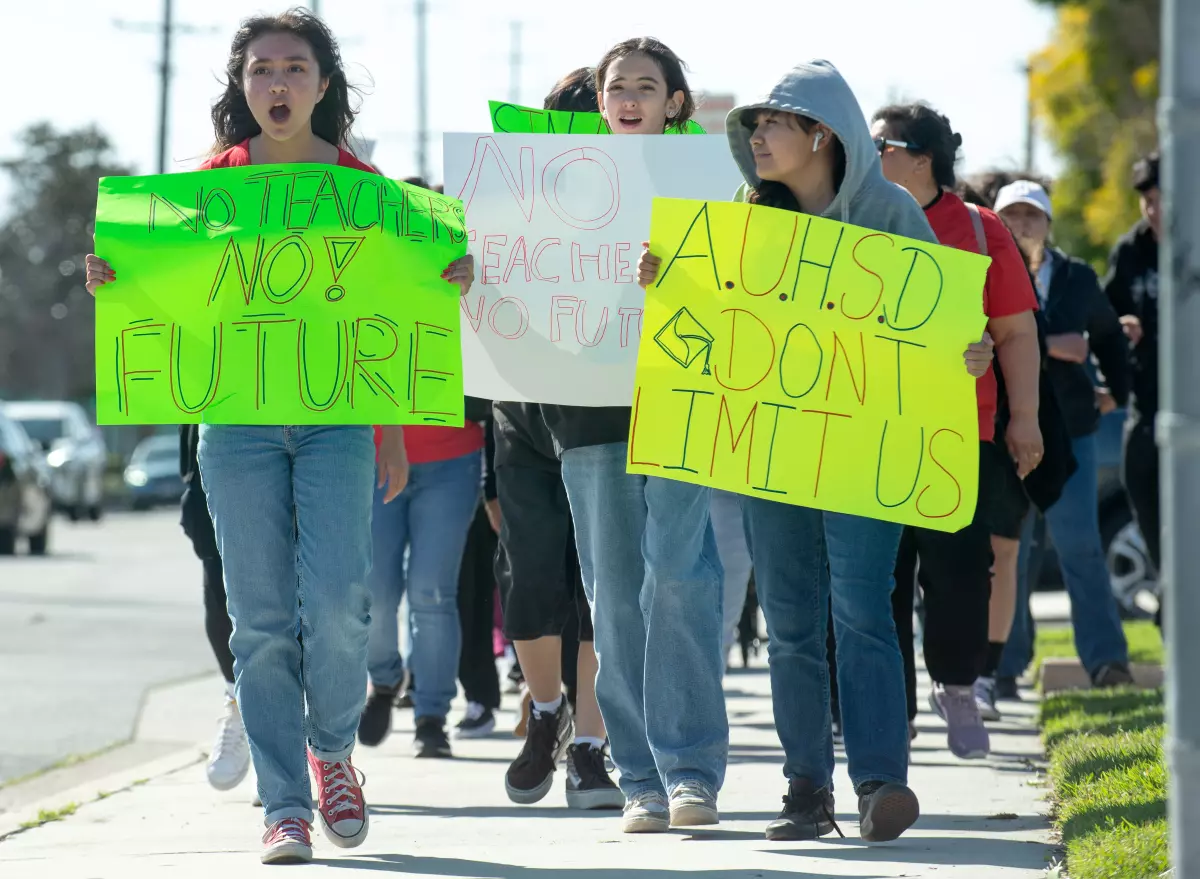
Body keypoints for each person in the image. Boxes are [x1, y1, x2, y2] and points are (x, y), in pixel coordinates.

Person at [85, 10, 474, 864]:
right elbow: (171, 293)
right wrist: (120, 276)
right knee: (260, 620)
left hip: (336, 421)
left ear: (323, 85)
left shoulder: (362, 189)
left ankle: (332, 753)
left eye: (295, 68)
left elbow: (399, 301)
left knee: (339, 603)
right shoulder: (207, 190)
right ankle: (284, 803)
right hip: (236, 427)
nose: (277, 84)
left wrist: (450, 274)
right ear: (242, 85)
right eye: (261, 69)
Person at [638, 60, 995, 844]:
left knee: (864, 609)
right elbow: (717, 319)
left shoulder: (893, 212)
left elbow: (940, 325)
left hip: (867, 450)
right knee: (792, 620)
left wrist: (968, 354)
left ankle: (879, 782)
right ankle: (806, 788)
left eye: (772, 124)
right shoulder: (744, 215)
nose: (757, 138)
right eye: (754, 127)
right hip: (772, 446)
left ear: (820, 134)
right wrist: (671, 280)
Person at [560, 40, 729, 833]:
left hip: (683, 401)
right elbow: (521, 274)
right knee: (614, 599)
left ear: (675, 103)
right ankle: (641, 780)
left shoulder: (718, 184)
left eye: (645, 86)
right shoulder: (555, 186)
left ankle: (692, 770)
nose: (628, 98)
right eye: (615, 86)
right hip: (590, 411)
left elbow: (747, 293)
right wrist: (473, 269)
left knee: (681, 574)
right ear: (599, 101)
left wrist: (683, 273)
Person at [868, 104, 1042, 757]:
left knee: (961, 570)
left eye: (881, 142)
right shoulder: (849, 217)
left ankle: (959, 685)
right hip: (868, 430)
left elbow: (1016, 330)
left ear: (922, 157)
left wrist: (1022, 417)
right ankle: (892, 709)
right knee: (878, 577)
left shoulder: (978, 226)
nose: (869, 150)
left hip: (956, 432)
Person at [494, 66, 623, 814]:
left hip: (606, 418)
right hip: (524, 413)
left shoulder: (649, 204)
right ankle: (545, 716)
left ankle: (590, 749)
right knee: (532, 578)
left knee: (598, 590)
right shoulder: (511, 204)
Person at [992, 179, 1135, 689]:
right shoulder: (982, 271)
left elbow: (1110, 339)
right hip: (1007, 431)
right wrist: (1058, 343)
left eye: (1032, 215)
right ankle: (1002, 667)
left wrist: (1117, 391)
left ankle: (1107, 662)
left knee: (1080, 547)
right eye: (1012, 214)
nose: (1022, 224)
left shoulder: (1077, 276)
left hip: (1071, 431)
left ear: (1049, 225)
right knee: (1009, 549)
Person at [357, 387, 487, 758]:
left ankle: (431, 716)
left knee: (432, 593)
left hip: (453, 455)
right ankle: (384, 681)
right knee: (374, 594)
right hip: (372, 450)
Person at [1103, 152, 1162, 628]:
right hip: (1147, 406)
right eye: (1148, 200)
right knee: (1143, 498)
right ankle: (1172, 600)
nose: (1155, 209)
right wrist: (1120, 328)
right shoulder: (1131, 250)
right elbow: (1106, 317)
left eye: (1164, 198)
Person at [180, 424, 250, 795]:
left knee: (296, 582)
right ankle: (237, 697)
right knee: (219, 581)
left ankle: (290, 737)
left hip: (296, 421)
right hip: (213, 427)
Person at [454, 401, 502, 738]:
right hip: (466, 465)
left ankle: (570, 702)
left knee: (551, 590)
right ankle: (480, 697)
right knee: (468, 595)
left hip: (528, 458)